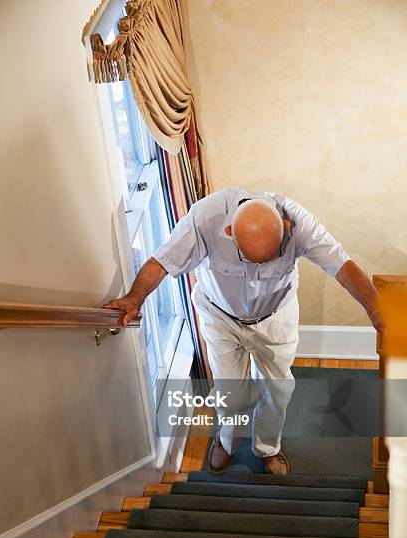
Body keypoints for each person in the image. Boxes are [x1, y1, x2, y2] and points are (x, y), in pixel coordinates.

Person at [103, 187, 384, 475]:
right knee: (230, 392)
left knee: (277, 389)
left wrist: (376, 309)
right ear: (228, 232)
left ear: (285, 228)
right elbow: (162, 261)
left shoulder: (299, 222)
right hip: (220, 317)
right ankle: (226, 441)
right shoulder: (205, 217)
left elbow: (342, 266)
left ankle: (267, 447)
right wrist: (135, 297)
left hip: (275, 317)